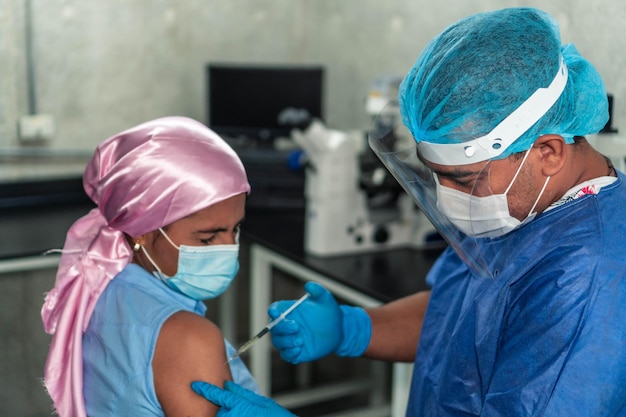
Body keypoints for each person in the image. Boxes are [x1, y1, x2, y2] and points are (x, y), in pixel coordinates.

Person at [191, 7, 626, 416]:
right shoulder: (523, 206)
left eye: (466, 180)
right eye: (436, 176)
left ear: (547, 152)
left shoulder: (590, 279)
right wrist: (353, 327)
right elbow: (457, 314)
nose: (446, 197)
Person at [41, 116, 259, 417]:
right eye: (207, 238)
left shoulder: (95, 285)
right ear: (141, 231)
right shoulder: (189, 338)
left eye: (234, 230)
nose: (228, 249)